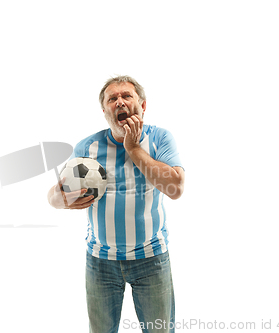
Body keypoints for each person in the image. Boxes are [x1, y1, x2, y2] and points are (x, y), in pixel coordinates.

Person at [47, 75, 185, 333]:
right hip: (101, 261)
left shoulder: (159, 139)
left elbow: (175, 188)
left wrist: (133, 148)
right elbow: (54, 196)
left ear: (142, 106)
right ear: (104, 111)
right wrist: (62, 200)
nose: (120, 102)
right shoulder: (88, 146)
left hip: (151, 258)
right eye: (113, 98)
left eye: (127, 96)